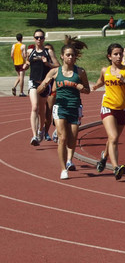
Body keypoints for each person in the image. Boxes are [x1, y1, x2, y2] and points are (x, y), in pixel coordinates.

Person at [37, 40, 90, 179]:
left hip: (75, 107)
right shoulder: (55, 72)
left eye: (72, 55)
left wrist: (81, 88)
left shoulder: (80, 72)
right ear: (62, 56)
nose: (70, 58)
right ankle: (63, 169)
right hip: (60, 107)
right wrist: (45, 85)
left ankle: (68, 160)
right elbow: (39, 89)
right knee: (63, 138)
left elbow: (88, 90)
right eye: (68, 55)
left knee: (72, 141)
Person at [92, 43, 125, 180]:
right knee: (113, 137)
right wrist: (95, 86)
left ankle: (103, 157)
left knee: (113, 139)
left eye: (120, 54)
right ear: (109, 56)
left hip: (123, 109)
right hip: (108, 106)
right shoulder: (104, 70)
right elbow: (102, 81)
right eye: (115, 54)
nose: (119, 56)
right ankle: (115, 168)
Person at [23, 29, 60, 146]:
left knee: (42, 110)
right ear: (34, 39)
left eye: (41, 37)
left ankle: (41, 130)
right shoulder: (30, 52)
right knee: (34, 107)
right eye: (37, 37)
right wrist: (25, 65)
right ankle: (34, 135)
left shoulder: (48, 52)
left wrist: (48, 63)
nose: (39, 39)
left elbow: (58, 66)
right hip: (33, 82)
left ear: (44, 39)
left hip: (44, 83)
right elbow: (28, 63)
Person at [43, 43, 57, 142]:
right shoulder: (41, 63)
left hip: (53, 90)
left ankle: (48, 132)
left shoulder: (55, 65)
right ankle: (44, 131)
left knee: (51, 112)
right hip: (43, 89)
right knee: (45, 113)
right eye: (46, 50)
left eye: (49, 50)